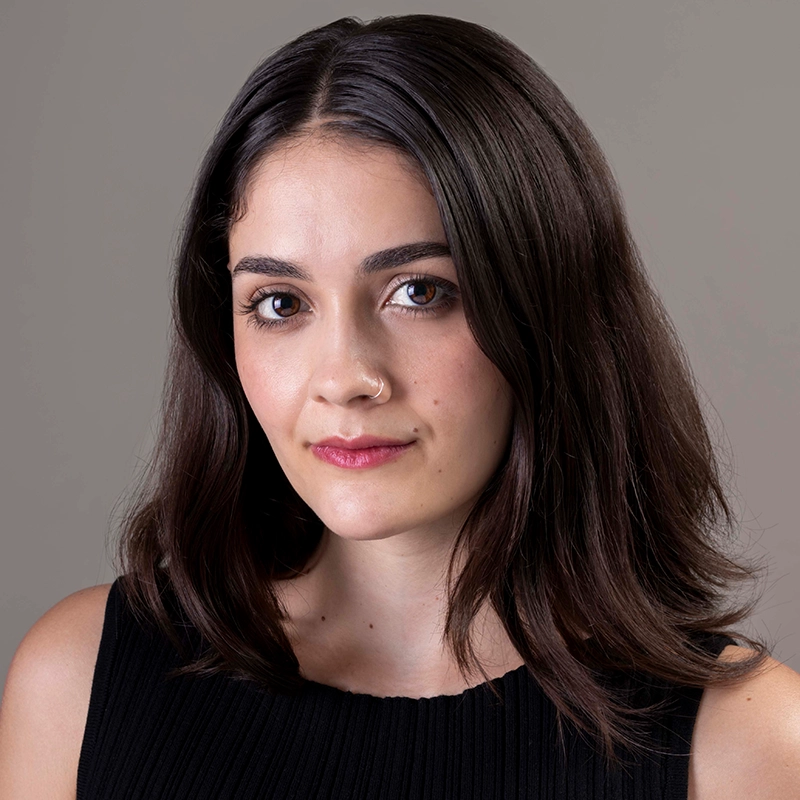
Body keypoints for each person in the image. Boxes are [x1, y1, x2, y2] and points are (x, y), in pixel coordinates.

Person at [1, 13, 798, 799]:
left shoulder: (744, 748)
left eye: (419, 292)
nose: (346, 376)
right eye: (280, 303)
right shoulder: (78, 684)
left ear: (547, 307)